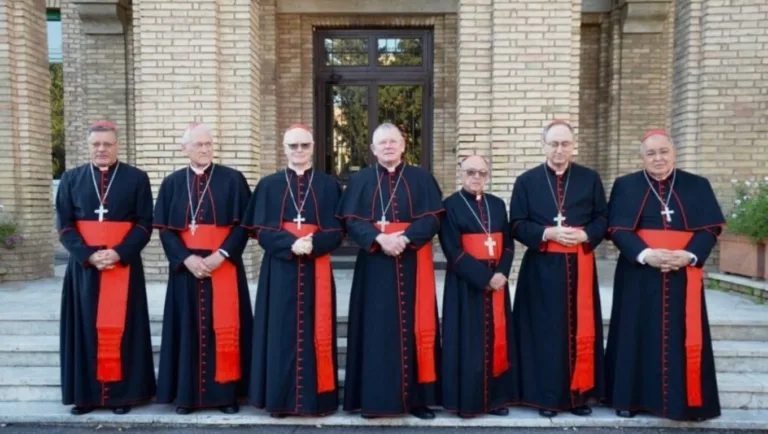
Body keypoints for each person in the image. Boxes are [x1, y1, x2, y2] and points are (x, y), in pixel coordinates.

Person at [604, 129, 724, 421]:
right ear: (642, 157)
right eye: (651, 153)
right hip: (639, 274)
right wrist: (646, 255)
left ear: (674, 153)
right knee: (634, 333)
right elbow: (617, 229)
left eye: (663, 152)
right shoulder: (626, 185)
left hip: (683, 274)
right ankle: (628, 400)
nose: (658, 158)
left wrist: (689, 255)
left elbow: (710, 228)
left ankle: (685, 403)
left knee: (682, 336)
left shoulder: (697, 185)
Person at [337, 123, 444, 419]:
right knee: (374, 331)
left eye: (393, 141)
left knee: (415, 329)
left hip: (412, 263)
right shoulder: (360, 180)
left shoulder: (421, 178)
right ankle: (372, 400)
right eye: (382, 143)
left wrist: (405, 239)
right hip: (373, 264)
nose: (388, 146)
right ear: (373, 149)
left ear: (403, 145)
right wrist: (379, 239)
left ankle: (417, 401)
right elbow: (350, 220)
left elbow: (433, 218)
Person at [509, 120, 607, 417]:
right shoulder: (527, 181)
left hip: (580, 266)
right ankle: (545, 398)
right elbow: (516, 224)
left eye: (565, 144)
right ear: (544, 146)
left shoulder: (589, 179)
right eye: (554, 144)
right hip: (540, 268)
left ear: (573, 145)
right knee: (543, 333)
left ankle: (577, 397)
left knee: (579, 329)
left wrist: (586, 234)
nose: (559, 149)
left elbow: (604, 218)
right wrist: (547, 234)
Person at [153, 123, 253, 415]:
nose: (205, 149)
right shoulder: (172, 183)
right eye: (198, 144)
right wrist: (186, 259)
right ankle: (187, 396)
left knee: (225, 328)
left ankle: (226, 396)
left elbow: (243, 226)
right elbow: (165, 230)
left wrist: (221, 255)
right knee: (187, 331)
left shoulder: (233, 180)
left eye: (209, 144)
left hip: (223, 267)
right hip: (187, 270)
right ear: (185, 148)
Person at [57, 120, 156, 415]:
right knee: (85, 330)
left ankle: (121, 397)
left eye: (107, 144)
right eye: (96, 144)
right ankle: (85, 397)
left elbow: (144, 223)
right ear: (89, 146)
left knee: (123, 330)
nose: (101, 149)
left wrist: (119, 253)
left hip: (122, 266)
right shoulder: (71, 178)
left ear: (117, 145)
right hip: (84, 268)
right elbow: (64, 226)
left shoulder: (136, 178)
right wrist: (88, 255)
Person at [244, 124, 343, 417]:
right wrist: (290, 245)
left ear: (313, 147)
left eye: (304, 145)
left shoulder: (328, 185)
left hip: (317, 269)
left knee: (317, 330)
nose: (298, 151)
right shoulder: (269, 184)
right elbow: (259, 230)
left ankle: (317, 400)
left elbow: (340, 230)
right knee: (279, 334)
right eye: (293, 146)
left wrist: (313, 243)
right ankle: (279, 400)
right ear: (284, 148)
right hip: (280, 270)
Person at [439, 155, 518, 418]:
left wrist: (502, 273)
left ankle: (494, 400)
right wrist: (485, 278)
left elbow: (508, 243)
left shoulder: (497, 204)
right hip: (466, 286)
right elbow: (453, 251)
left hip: (498, 283)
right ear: (460, 173)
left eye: (482, 173)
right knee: (468, 343)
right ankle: (468, 402)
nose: (476, 177)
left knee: (496, 338)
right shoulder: (449, 206)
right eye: (471, 172)